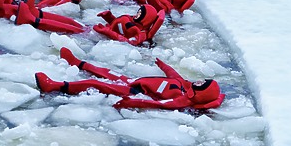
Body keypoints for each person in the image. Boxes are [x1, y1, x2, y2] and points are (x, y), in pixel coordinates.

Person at [35, 48, 224, 110]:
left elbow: (162, 105)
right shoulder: (184, 84)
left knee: (96, 84)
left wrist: (132, 102)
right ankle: (77, 62)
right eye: (202, 80)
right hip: (132, 80)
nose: (199, 81)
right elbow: (173, 75)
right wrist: (162, 65)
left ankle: (54, 86)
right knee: (105, 71)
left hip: (133, 90)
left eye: (202, 84)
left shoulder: (182, 99)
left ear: (201, 93)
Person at [93, 5, 165, 46]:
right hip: (108, 32)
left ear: (146, 18)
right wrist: (109, 17)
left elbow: (129, 42)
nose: (137, 15)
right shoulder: (133, 20)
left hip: (112, 43)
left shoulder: (142, 34)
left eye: (141, 14)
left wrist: (109, 32)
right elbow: (120, 26)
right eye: (138, 12)